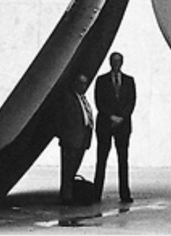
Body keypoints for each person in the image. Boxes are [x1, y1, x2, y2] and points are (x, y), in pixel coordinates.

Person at [93, 51, 136, 203]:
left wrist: (121, 118)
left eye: (118, 61)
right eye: (113, 61)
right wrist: (111, 116)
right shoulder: (101, 80)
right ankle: (96, 193)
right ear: (110, 62)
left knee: (123, 160)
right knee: (101, 159)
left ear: (122, 62)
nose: (116, 63)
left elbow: (131, 102)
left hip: (123, 125)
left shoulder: (129, 81)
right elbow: (99, 102)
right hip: (105, 123)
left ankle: (125, 193)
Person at [56, 73, 94, 205]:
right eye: (81, 83)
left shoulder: (82, 98)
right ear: (75, 84)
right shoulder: (68, 98)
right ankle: (66, 197)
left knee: (73, 168)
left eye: (85, 83)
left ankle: (69, 194)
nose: (83, 86)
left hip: (82, 138)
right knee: (68, 169)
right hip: (71, 139)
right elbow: (62, 119)